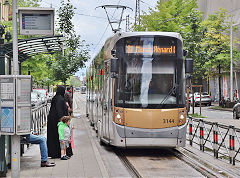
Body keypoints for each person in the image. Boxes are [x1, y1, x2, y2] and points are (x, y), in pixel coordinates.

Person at [47, 85, 69, 158]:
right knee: (60, 137)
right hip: (57, 122)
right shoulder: (60, 99)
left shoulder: (55, 98)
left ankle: (54, 153)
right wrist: (63, 120)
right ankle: (60, 153)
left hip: (52, 121)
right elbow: (59, 111)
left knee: (53, 137)